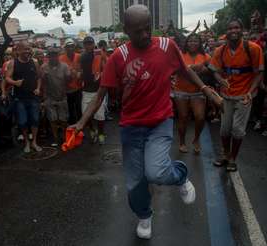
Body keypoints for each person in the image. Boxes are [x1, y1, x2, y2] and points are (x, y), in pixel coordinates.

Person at [71, 4, 222, 240]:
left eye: (147, 29)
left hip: (160, 121)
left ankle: (180, 175)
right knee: (134, 182)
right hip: (131, 127)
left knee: (156, 172)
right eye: (137, 31)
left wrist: (206, 89)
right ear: (126, 30)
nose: (144, 35)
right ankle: (144, 215)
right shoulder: (118, 57)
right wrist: (81, 122)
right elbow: (100, 95)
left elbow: (184, 70)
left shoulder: (166, 46)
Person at [209, 19, 264, 172]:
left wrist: (250, 92)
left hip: (244, 96)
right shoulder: (220, 50)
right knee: (224, 130)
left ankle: (233, 158)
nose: (233, 30)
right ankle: (225, 155)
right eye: (230, 28)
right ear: (226, 31)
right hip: (226, 96)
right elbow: (213, 70)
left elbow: (259, 72)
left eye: (237, 27)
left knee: (237, 130)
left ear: (242, 30)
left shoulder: (253, 48)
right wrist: (220, 80)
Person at [173, 34, 211, 154]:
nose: (193, 43)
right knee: (183, 117)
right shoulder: (180, 54)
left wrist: (205, 70)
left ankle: (196, 139)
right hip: (181, 90)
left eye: (196, 41)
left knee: (200, 117)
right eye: (190, 41)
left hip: (198, 92)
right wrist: (193, 67)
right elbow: (175, 69)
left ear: (200, 43)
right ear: (186, 43)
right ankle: (182, 142)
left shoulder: (205, 56)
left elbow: (212, 70)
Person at [5, 41, 42, 153]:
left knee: (35, 120)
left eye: (28, 49)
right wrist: (15, 83)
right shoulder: (13, 63)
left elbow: (39, 77)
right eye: (25, 49)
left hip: (33, 96)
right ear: (19, 50)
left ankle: (34, 142)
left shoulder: (34, 62)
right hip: (19, 98)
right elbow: (7, 78)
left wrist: (38, 88)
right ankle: (26, 142)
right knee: (22, 121)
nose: (27, 51)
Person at [42, 47, 71, 146]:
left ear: (58, 56)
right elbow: (41, 82)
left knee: (63, 120)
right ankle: (55, 139)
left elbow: (68, 80)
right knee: (52, 120)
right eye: (51, 55)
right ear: (48, 57)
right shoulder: (44, 67)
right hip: (49, 97)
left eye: (55, 55)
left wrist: (70, 76)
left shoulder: (64, 66)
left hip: (62, 97)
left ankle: (64, 137)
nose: (53, 57)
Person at [80, 36, 106, 144]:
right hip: (86, 90)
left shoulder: (99, 53)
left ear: (93, 44)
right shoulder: (82, 56)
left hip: (98, 90)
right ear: (84, 45)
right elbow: (81, 70)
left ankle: (100, 133)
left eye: (90, 43)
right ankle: (91, 130)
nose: (88, 45)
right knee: (85, 114)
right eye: (86, 43)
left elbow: (106, 66)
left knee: (100, 116)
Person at [59, 38, 83, 124]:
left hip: (78, 87)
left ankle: (80, 126)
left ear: (74, 47)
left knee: (79, 108)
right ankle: (72, 127)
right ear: (65, 48)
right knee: (70, 109)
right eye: (68, 47)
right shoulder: (61, 58)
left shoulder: (79, 56)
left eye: (72, 46)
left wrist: (80, 73)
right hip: (67, 89)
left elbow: (82, 69)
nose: (70, 48)